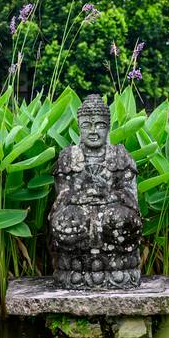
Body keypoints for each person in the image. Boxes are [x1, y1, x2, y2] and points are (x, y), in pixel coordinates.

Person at [49, 94, 142, 290]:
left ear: (108, 127)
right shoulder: (68, 157)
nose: (93, 131)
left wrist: (109, 195)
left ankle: (110, 265)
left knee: (124, 220)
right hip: (78, 214)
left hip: (111, 211)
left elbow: (131, 197)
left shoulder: (120, 155)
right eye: (86, 125)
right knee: (63, 223)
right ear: (79, 126)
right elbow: (61, 197)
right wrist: (81, 196)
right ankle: (77, 266)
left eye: (99, 125)